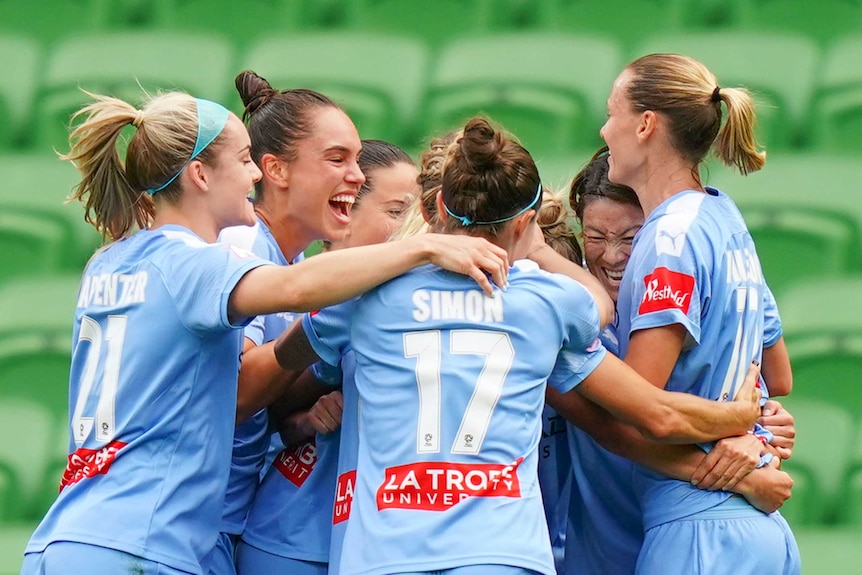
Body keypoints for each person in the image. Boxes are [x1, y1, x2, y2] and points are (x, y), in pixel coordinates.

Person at [21, 92, 510, 575]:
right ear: (200, 175)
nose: (254, 174)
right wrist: (421, 252)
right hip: (144, 541)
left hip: (67, 533)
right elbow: (294, 291)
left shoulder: (108, 261)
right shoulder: (200, 263)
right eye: (242, 160)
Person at [271, 117, 762, 575]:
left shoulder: (361, 297)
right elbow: (654, 410)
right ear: (528, 223)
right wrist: (741, 416)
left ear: (436, 207)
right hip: (502, 553)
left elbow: (285, 361)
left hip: (383, 555)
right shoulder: (548, 305)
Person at [597, 53, 800, 574]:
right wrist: (748, 421)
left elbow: (638, 406)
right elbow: (777, 375)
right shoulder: (724, 215)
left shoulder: (670, 236)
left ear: (644, 124)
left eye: (611, 113)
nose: (604, 130)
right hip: (762, 532)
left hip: (698, 529)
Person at [556, 147, 796, 575]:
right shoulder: (570, 317)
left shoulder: (690, 269)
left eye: (630, 238)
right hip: (602, 549)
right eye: (595, 237)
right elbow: (623, 426)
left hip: (687, 534)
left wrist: (757, 427)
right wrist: (742, 459)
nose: (612, 257)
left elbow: (775, 376)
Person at [207, 72, 409, 575]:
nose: (357, 176)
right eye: (337, 159)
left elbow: (265, 408)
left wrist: (301, 417)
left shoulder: (290, 266)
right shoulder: (245, 248)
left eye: (358, 160)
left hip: (223, 519)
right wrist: (324, 330)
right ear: (274, 170)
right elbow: (231, 392)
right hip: (191, 525)